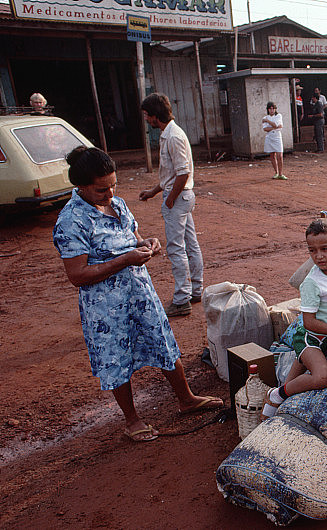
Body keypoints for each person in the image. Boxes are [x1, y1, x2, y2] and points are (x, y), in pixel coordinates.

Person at [53, 147, 223, 442]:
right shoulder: (71, 221)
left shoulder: (118, 206)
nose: (109, 193)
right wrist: (125, 260)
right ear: (79, 187)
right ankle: (132, 420)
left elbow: (133, 240)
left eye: (113, 186)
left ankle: (186, 399)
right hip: (105, 306)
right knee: (116, 358)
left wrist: (148, 243)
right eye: (101, 189)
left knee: (163, 343)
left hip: (139, 292)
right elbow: (77, 275)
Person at [261, 218, 327, 418]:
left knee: (289, 385)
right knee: (322, 377)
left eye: (325, 249)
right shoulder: (311, 283)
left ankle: (274, 406)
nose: (318, 256)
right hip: (309, 339)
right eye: (312, 250)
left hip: (324, 338)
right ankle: (275, 394)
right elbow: (309, 322)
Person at [138, 93, 204, 317]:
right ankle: (195, 291)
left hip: (179, 197)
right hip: (181, 196)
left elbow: (183, 172)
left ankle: (182, 299)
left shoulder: (173, 136)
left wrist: (169, 198)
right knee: (190, 245)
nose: (147, 120)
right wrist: (154, 192)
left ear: (156, 116)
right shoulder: (170, 134)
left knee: (176, 249)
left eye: (147, 116)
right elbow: (172, 174)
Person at [262, 101, 286, 180]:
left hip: (277, 137)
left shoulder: (278, 116)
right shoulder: (265, 117)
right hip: (269, 137)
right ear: (268, 109)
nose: (272, 110)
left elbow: (277, 125)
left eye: (273, 108)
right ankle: (276, 172)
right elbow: (265, 129)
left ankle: (280, 173)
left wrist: (268, 122)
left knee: (280, 155)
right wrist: (274, 127)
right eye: (270, 109)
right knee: (272, 155)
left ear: (275, 109)